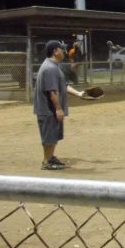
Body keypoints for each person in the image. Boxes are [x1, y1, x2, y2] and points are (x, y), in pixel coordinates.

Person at [34, 40, 88, 170]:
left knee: (52, 135)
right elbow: (53, 91)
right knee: (49, 136)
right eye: (62, 49)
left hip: (50, 109)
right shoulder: (51, 68)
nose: (64, 51)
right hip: (48, 109)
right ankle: (47, 162)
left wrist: (79, 94)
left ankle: (51, 157)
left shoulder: (54, 66)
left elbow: (63, 86)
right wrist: (58, 109)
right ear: (55, 51)